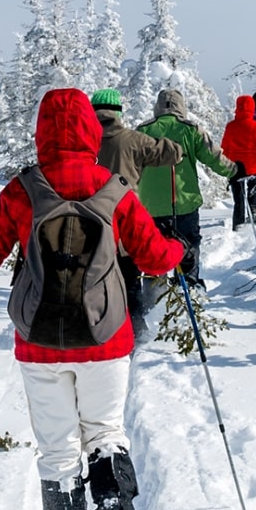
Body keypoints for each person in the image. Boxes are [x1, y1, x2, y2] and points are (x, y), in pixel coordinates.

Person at [0, 89, 184, 510]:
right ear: (88, 129)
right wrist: (176, 246)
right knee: (105, 434)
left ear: (42, 131)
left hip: (39, 345)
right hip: (105, 340)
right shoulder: (114, 189)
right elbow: (155, 259)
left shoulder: (24, 190)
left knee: (58, 451)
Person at [91, 87, 181, 338]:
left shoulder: (84, 143)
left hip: (89, 226)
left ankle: (98, 327)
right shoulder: (133, 140)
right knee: (130, 277)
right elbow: (172, 153)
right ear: (118, 112)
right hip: (126, 224)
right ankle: (135, 328)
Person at [135, 88, 234, 286]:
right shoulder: (191, 129)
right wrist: (234, 170)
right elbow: (213, 158)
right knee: (188, 247)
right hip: (184, 204)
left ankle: (154, 297)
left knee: (154, 254)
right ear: (181, 107)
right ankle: (188, 287)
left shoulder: (143, 130)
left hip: (150, 206)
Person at [220, 94, 256, 228]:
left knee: (239, 200)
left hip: (235, 168)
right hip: (253, 167)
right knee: (253, 194)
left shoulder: (231, 127)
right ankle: (255, 215)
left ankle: (238, 225)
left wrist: (228, 165)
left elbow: (224, 148)